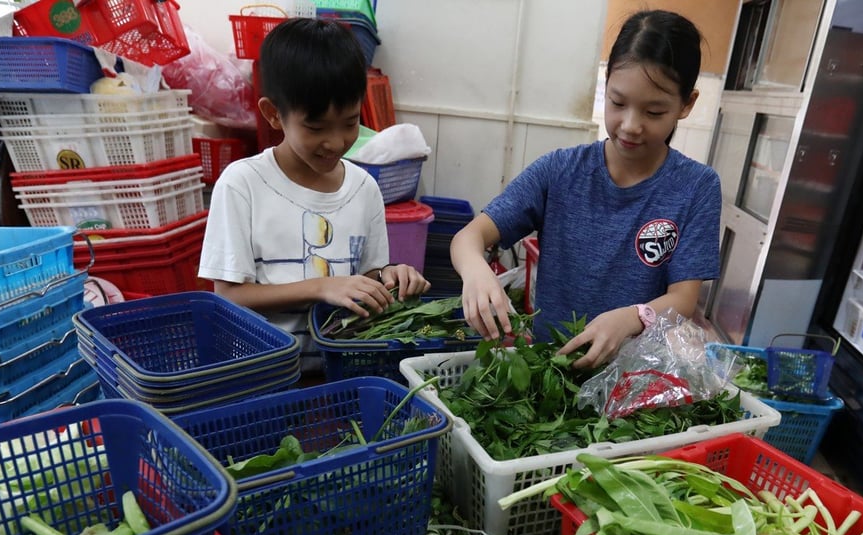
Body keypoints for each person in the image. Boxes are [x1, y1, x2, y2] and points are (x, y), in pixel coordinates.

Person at [450, 9, 720, 369]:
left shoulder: (697, 187)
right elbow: (468, 237)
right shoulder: (560, 170)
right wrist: (476, 272)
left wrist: (632, 317)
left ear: (687, 104)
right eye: (617, 103)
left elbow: (683, 299)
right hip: (551, 367)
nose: (630, 125)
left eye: (654, 112)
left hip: (634, 379)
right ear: (605, 86)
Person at [198, 18, 430, 372]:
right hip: (261, 375)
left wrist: (391, 278)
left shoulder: (364, 188)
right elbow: (230, 295)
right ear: (274, 114)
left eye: (350, 123)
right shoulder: (242, 184)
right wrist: (322, 287)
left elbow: (366, 279)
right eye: (316, 127)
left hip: (335, 372)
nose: (336, 142)